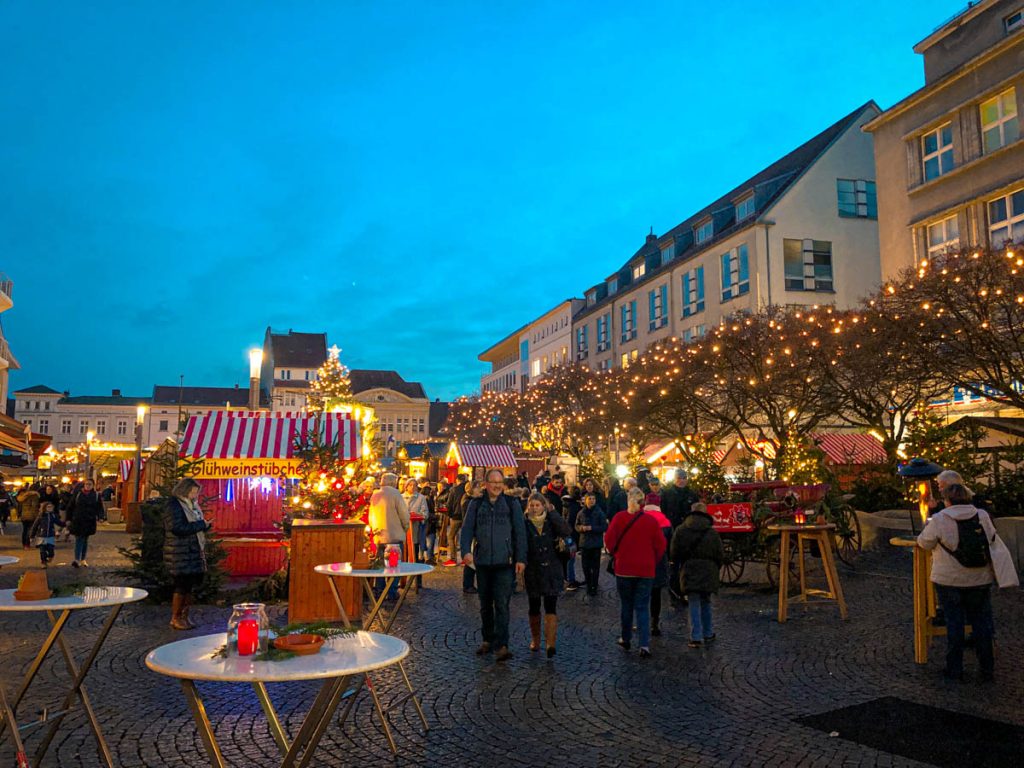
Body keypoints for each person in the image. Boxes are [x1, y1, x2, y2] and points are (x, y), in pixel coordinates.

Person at [917, 483, 998, 681]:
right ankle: (987, 669)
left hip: (949, 580)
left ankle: (955, 669)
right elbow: (992, 538)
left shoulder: (940, 519)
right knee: (981, 623)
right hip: (979, 578)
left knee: (955, 624)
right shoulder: (982, 515)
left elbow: (924, 542)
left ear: (947, 500)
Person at [461, 468, 527, 662]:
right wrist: (465, 551)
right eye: (494, 482)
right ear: (486, 484)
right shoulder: (476, 504)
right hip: (482, 562)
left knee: (502, 604)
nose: (497, 485)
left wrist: (521, 558)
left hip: (504, 563)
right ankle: (487, 639)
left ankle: (502, 644)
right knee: (485, 605)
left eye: (500, 482)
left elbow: (519, 533)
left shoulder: (511, 504)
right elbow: (466, 530)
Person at [604, 487, 666, 658]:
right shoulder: (651, 522)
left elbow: (609, 541)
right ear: (643, 502)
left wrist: (617, 555)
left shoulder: (619, 518)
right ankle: (644, 644)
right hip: (646, 570)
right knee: (642, 607)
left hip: (624, 569)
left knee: (626, 605)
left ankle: (626, 638)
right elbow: (661, 546)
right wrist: (651, 560)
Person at [522, 491, 571, 657]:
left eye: (538, 505)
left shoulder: (551, 521)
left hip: (551, 569)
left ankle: (551, 642)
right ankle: (535, 639)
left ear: (543, 506)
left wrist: (553, 512)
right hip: (533, 570)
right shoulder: (524, 523)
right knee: (534, 606)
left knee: (551, 606)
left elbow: (566, 530)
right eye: (532, 505)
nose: (535, 508)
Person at [670, 502, 724, 648]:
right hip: (708, 570)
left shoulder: (681, 530)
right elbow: (719, 554)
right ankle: (708, 632)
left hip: (689, 569)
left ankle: (695, 636)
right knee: (706, 601)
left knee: (693, 601)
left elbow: (674, 552)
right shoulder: (712, 532)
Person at [163, 478, 214, 630]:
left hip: (191, 551)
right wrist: (200, 525)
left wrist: (204, 525)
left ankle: (184, 616)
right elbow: (177, 528)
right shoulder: (174, 505)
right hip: (179, 551)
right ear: (184, 490)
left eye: (196, 492)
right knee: (181, 585)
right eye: (193, 491)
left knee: (188, 586)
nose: (195, 495)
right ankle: (176, 617)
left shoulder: (192, 505)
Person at [370, 473, 411, 599]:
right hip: (394, 536)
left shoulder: (375, 494)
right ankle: (392, 592)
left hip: (380, 535)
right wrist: (405, 527)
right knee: (394, 565)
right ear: (394, 482)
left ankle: (379, 590)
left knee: (381, 565)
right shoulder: (395, 494)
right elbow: (403, 514)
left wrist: (375, 530)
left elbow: (371, 516)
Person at [661, 470, 700, 598]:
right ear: (675, 479)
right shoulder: (667, 493)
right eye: (679, 478)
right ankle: (674, 587)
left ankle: (686, 586)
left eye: (684, 478)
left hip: (688, 531)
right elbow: (664, 511)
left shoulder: (692, 494)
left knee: (687, 560)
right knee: (674, 560)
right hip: (673, 530)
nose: (681, 480)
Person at [643, 496, 673, 637]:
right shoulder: (665, 521)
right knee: (656, 594)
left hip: (643, 561)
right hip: (659, 562)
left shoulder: (641, 518)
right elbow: (670, 544)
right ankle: (654, 622)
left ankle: (642, 620)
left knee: (642, 593)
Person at [575, 491, 608, 596]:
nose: (592, 501)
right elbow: (576, 526)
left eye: (593, 499)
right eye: (590, 499)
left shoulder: (600, 512)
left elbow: (604, 527)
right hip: (584, 543)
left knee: (595, 566)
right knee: (585, 566)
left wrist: (592, 528)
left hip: (596, 544)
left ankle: (594, 585)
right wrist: (581, 528)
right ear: (586, 500)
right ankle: (588, 584)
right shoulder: (581, 513)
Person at [67, 479, 103, 567]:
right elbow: (70, 506)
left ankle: (82, 559)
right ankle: (77, 559)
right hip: (78, 520)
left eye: (90, 484)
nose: (88, 486)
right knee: (79, 539)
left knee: (85, 540)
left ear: (93, 485)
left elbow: (99, 507)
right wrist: (68, 519)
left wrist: (101, 517)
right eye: (86, 484)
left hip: (89, 520)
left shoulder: (96, 495)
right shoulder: (78, 494)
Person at [444, 474, 469, 566]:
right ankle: (464, 559)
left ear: (457, 480)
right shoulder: (467, 489)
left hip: (456, 516)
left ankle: (453, 559)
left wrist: (450, 514)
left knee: (451, 537)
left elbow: (449, 504)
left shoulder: (454, 489)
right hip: (466, 517)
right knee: (464, 538)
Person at [30, 501, 62, 567]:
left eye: (51, 507)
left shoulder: (53, 516)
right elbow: (35, 526)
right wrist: (31, 536)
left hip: (50, 536)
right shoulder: (40, 516)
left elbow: (59, 522)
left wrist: (66, 524)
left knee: (51, 550)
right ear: (44, 508)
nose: (50, 508)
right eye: (48, 507)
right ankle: (43, 562)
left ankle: (50, 557)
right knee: (42, 550)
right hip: (41, 536)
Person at [16, 483, 40, 550]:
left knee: (25, 530)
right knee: (30, 530)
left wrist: (19, 514)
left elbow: (19, 506)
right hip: (32, 515)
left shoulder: (23, 495)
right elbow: (35, 506)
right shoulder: (34, 496)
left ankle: (24, 544)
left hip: (24, 515)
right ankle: (27, 544)